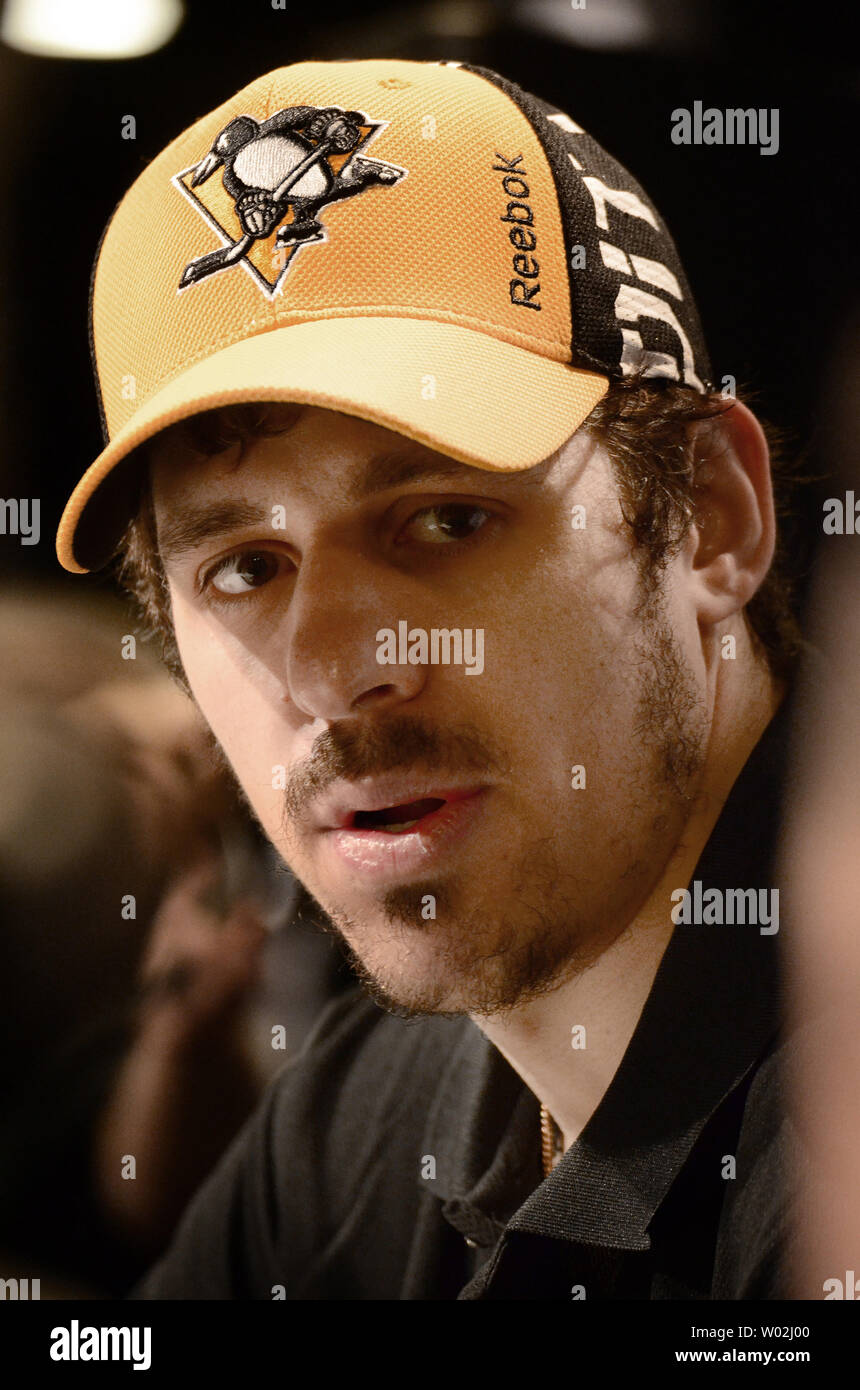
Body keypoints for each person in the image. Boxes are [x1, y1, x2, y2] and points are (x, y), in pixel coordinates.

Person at [55, 57, 806, 1299]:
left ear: (706, 518)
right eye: (244, 567)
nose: (332, 673)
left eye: (446, 518)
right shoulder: (352, 1119)